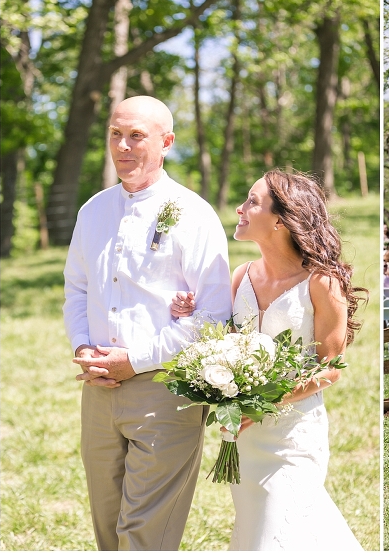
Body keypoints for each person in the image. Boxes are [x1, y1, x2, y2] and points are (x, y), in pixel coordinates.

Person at [63, 96, 232, 550]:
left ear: (166, 142)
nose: (122, 145)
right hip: (98, 392)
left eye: (136, 135)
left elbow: (214, 316)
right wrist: (83, 346)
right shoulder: (93, 211)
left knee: (143, 537)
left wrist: (135, 360)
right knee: (107, 528)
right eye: (115, 134)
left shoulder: (194, 214)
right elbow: (77, 288)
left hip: (166, 391)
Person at [180, 170, 366, 550]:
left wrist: (265, 401)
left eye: (252, 201)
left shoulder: (322, 282)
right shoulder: (240, 276)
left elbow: (331, 368)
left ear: (280, 219)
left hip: (293, 435)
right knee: (267, 529)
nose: (239, 208)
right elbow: (221, 342)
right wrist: (188, 312)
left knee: (275, 534)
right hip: (245, 438)